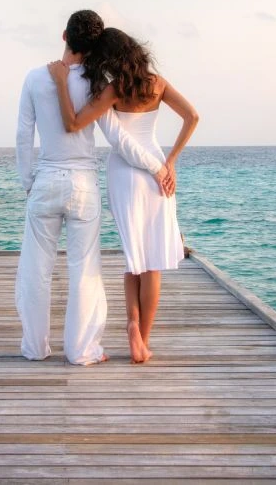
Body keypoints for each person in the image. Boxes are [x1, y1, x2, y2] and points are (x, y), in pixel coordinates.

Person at [15, 11, 172, 365]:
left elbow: (24, 135)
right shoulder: (96, 81)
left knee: (36, 270)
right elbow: (117, 136)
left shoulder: (35, 78)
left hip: (45, 181)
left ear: (64, 36)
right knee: (84, 269)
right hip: (83, 185)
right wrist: (157, 166)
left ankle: (35, 348)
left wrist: (28, 182)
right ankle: (82, 351)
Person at [48, 28, 199, 363]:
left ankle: (131, 323)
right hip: (156, 171)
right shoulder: (157, 84)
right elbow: (193, 116)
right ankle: (142, 340)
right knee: (153, 264)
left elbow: (73, 124)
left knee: (134, 257)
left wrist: (60, 82)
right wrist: (171, 161)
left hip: (124, 175)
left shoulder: (111, 90)